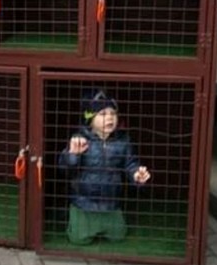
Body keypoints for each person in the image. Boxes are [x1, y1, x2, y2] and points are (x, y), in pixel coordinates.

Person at [58, 89, 151, 245]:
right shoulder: (79, 139)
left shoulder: (123, 141)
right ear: (90, 118)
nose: (109, 118)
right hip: (84, 202)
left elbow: (131, 163)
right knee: (79, 240)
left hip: (111, 201)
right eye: (102, 114)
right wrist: (73, 154)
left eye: (113, 113)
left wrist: (137, 174)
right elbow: (64, 168)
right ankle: (72, 219)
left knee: (118, 237)